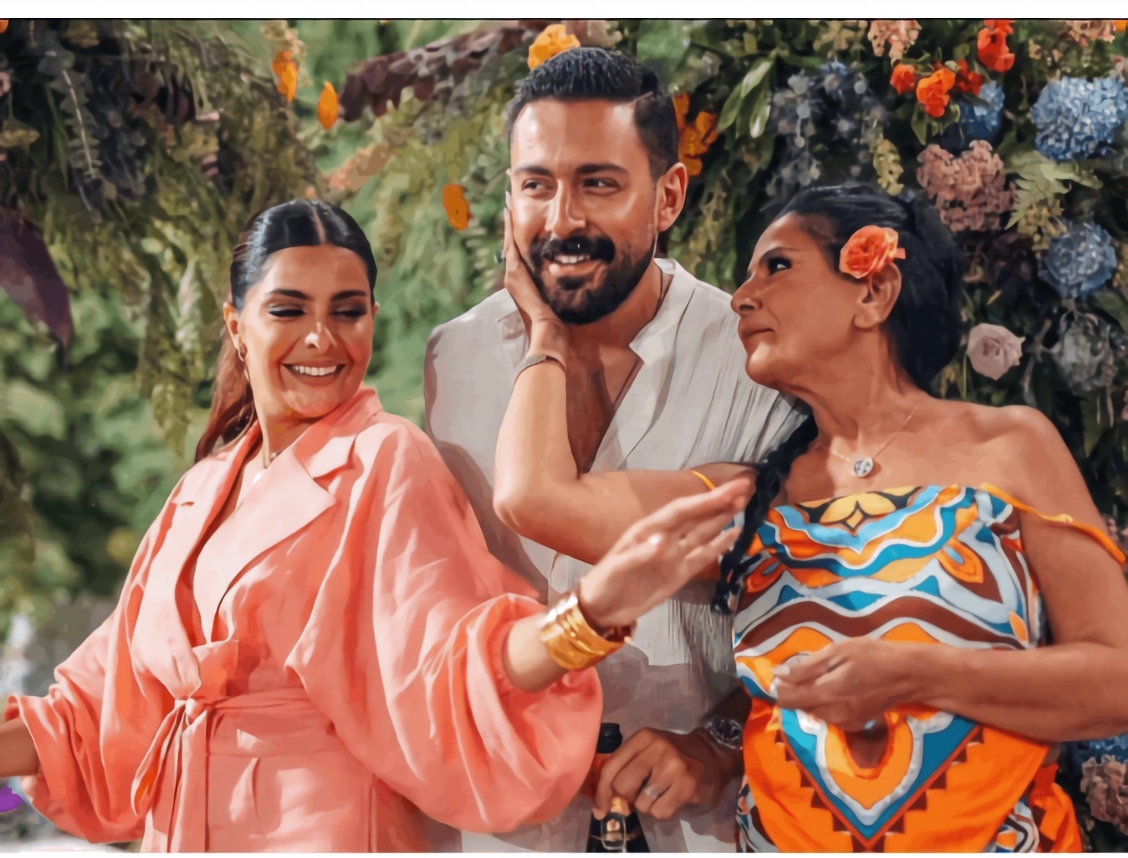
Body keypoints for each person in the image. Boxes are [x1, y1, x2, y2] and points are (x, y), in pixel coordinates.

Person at [0, 199, 751, 853]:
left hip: (326, 828)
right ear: (236, 325)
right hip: (185, 826)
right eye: (288, 310)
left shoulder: (385, 458)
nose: (322, 338)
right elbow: (91, 713)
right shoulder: (198, 490)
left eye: (347, 311)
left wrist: (592, 612)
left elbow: (455, 669)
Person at [495, 181, 1128, 852]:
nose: (741, 298)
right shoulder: (749, 501)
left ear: (873, 291)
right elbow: (534, 498)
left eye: (777, 266)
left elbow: (1117, 680)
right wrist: (547, 331)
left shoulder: (1009, 447)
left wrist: (917, 674)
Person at [425, 47, 797, 853]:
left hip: (696, 829)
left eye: (598, 184)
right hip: (504, 829)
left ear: (669, 196)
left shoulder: (754, 357)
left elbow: (815, 604)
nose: (562, 221)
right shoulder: (454, 358)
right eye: (536, 185)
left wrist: (719, 745)